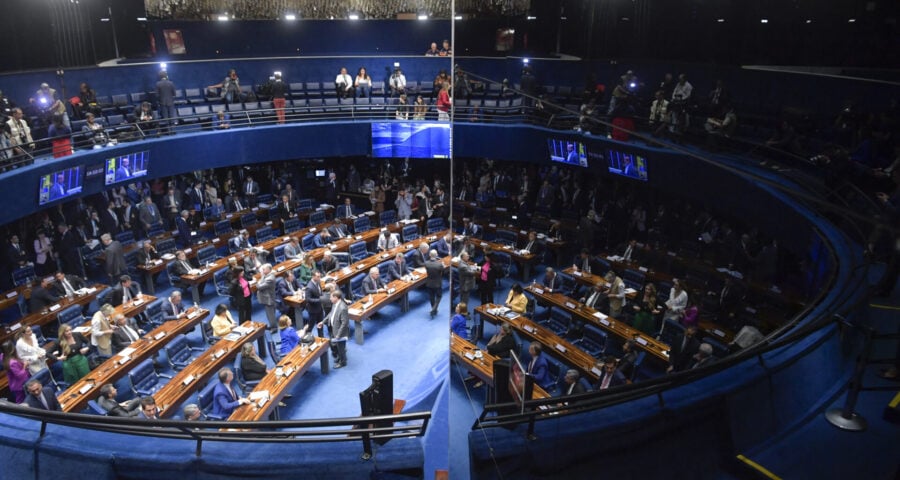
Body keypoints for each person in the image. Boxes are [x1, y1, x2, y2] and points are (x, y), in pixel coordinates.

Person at [319, 290, 349, 369]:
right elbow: (330, 314)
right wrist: (323, 322)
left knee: (341, 348)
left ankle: (343, 362)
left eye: (331, 297)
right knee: (335, 346)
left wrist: (339, 335)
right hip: (333, 328)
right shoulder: (334, 304)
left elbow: (344, 323)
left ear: (336, 297)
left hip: (340, 332)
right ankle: (339, 357)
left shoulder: (343, 308)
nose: (330, 299)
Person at [256, 263, 278, 332]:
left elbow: (259, 287)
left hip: (269, 299)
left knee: (270, 314)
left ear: (268, 270)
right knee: (270, 313)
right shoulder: (267, 275)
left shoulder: (270, 278)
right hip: (267, 297)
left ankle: (274, 328)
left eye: (264, 269)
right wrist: (262, 277)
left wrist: (258, 281)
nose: (262, 270)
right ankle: (272, 325)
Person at [156, 70, 177, 134]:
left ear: (160, 76)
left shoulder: (158, 84)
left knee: (165, 117)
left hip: (162, 102)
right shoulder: (171, 83)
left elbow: (157, 95)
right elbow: (174, 93)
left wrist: (159, 100)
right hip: (170, 101)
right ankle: (173, 131)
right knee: (172, 116)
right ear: (166, 75)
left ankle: (168, 131)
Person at [425, 250, 445, 317]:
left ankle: (434, 309)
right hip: (437, 284)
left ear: (430, 255)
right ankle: (434, 309)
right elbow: (443, 272)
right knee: (439, 296)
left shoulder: (426, 263)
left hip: (429, 283)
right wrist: (443, 266)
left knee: (431, 297)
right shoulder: (439, 264)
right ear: (436, 255)